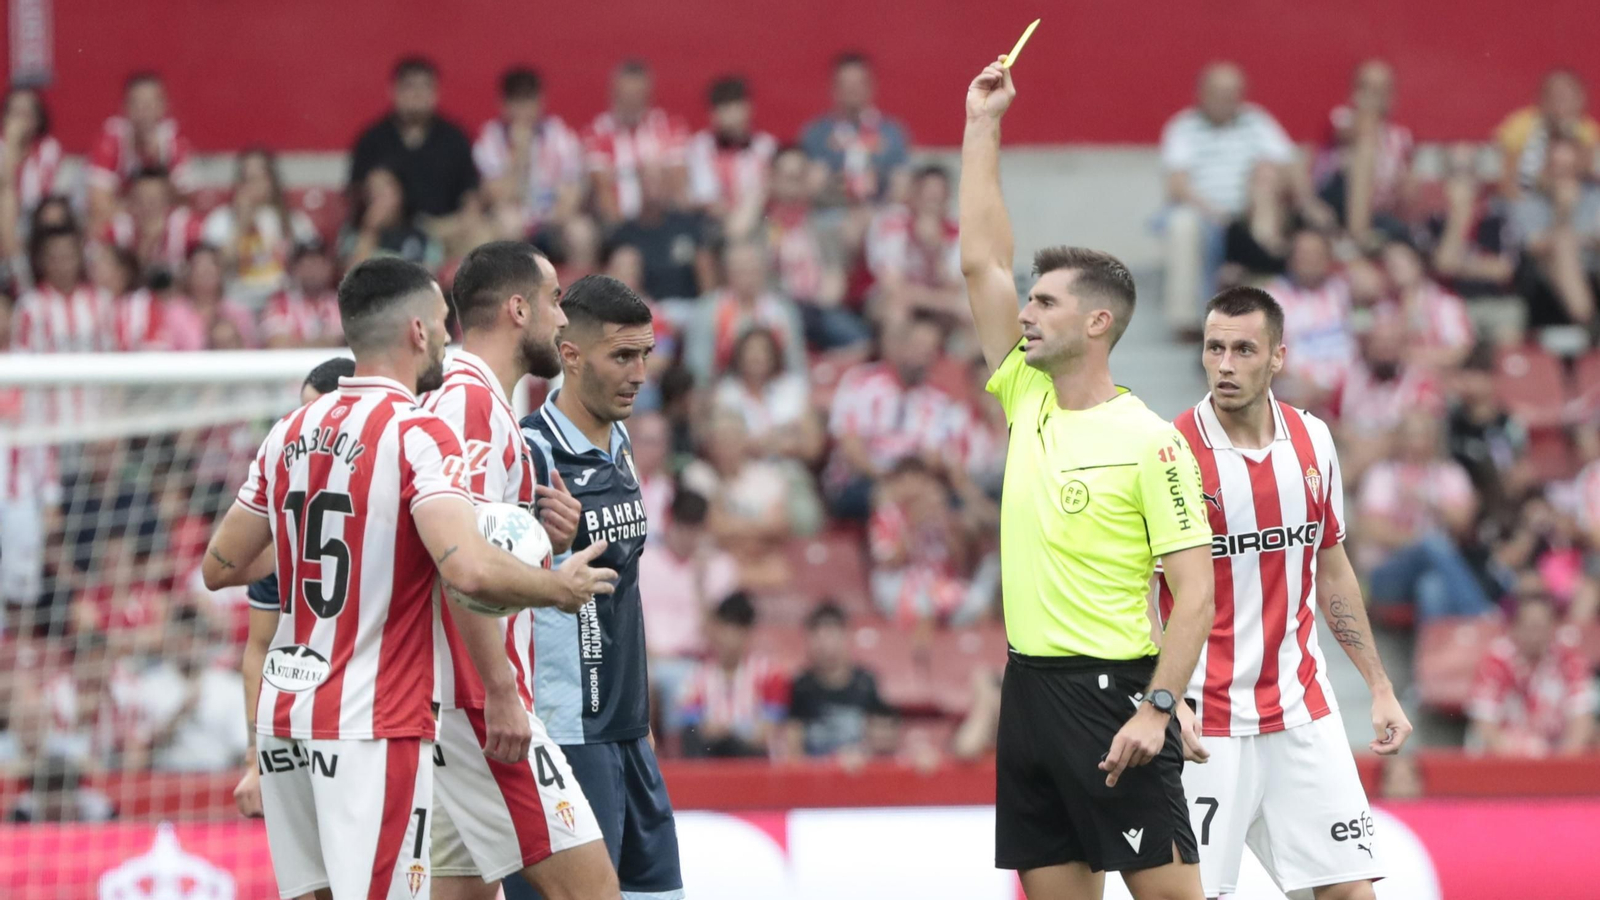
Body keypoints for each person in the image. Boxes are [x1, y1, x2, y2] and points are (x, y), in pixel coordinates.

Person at [201, 256, 616, 900]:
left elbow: (219, 566)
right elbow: (468, 569)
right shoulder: (428, 425)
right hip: (389, 714)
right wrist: (558, 588)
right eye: (441, 322)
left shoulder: (290, 430)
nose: (448, 335)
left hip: (288, 714)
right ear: (419, 332)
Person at [961, 59, 1215, 899]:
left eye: (1045, 304)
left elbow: (1196, 592)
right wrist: (982, 125)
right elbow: (980, 265)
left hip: (1115, 698)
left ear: (1097, 323)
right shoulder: (1025, 395)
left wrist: (1159, 705)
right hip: (1027, 692)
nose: (1024, 314)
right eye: (1027, 303)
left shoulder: (1153, 442)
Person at [1161, 287, 1410, 900]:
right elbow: (1141, 588)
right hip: (1204, 722)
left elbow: (1332, 567)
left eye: (1244, 349)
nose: (1225, 364)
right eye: (1214, 348)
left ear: (1277, 357)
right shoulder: (1170, 452)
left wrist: (1378, 685)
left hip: (1302, 711)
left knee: (1350, 891)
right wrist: (1163, 699)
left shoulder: (1313, 441)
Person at [420, 242, 617, 899]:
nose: (563, 321)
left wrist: (538, 533)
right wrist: (500, 688)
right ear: (516, 308)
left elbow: (462, 536)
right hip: (480, 703)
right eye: (555, 300)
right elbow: (461, 563)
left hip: (443, 701)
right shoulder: (470, 404)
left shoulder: (471, 400)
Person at [520, 274, 686, 900]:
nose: (639, 373)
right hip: (566, 735)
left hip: (627, 732)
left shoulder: (618, 441)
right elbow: (475, 588)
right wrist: (544, 554)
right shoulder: (529, 454)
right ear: (570, 355)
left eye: (645, 354)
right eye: (622, 355)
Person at [231, 357, 353, 821]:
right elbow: (258, 647)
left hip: (382, 724)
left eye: (320, 417)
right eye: (302, 417)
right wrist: (254, 759)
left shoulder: (403, 500)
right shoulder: (286, 524)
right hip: (300, 727)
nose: (309, 433)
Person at [1159, 62, 1321, 332]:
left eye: (1232, 93)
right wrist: (1214, 213)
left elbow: (1288, 163)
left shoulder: (1256, 121)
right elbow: (1177, 185)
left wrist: (1294, 193)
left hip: (1254, 211)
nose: (1226, 100)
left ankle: (1264, 277)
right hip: (1205, 213)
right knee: (1181, 222)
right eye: (1219, 92)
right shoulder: (1183, 127)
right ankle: (1185, 320)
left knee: (1267, 176)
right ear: (1202, 93)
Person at [349, 57, 479, 220]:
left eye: (425, 86)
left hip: (444, 227)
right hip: (392, 231)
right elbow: (355, 193)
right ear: (394, 90)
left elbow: (470, 189)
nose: (418, 94)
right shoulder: (374, 139)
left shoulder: (454, 138)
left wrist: (470, 217)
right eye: (410, 87)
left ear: (436, 92)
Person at [1468, 593, 1597, 756]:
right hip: (1507, 756)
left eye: (1541, 627)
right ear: (1514, 627)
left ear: (1553, 627)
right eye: (1529, 627)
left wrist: (1564, 764)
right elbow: (1484, 722)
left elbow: (1582, 715)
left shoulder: (1570, 657)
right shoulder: (1495, 660)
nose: (1535, 636)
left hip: (1558, 752)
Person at [474, 67, 584, 238]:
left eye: (529, 100)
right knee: (509, 223)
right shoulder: (490, 138)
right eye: (516, 101)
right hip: (512, 215)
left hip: (552, 217)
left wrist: (557, 214)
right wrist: (519, 153)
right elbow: (498, 196)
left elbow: (572, 189)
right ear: (503, 103)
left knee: (581, 232)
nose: (523, 109)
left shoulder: (560, 134)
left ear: (541, 101)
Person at [675, 591, 788, 758]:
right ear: (715, 630)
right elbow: (691, 729)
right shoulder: (696, 678)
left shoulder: (770, 675)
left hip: (752, 761)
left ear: (749, 632)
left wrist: (729, 731)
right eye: (725, 628)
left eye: (738, 629)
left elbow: (766, 732)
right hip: (711, 758)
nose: (730, 637)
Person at [201, 148, 317, 305]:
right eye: (248, 178)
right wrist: (241, 226)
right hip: (236, 304)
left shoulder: (296, 222)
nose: (254, 184)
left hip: (284, 304)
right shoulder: (220, 221)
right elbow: (213, 272)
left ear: (272, 181)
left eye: (260, 177)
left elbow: (312, 270)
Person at [584, 60, 691, 224]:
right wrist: (623, 230)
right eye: (626, 95)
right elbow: (602, 188)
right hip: (616, 223)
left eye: (636, 95)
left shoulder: (668, 128)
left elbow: (678, 182)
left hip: (662, 218)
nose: (630, 102)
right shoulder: (598, 132)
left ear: (648, 94)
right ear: (614, 93)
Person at [85, 72, 194, 232]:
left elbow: (187, 201)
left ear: (163, 106)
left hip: (147, 219)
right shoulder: (110, 139)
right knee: (101, 226)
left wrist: (159, 162)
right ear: (125, 107)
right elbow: (98, 205)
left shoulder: (174, 141)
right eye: (138, 104)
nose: (144, 112)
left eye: (150, 104)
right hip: (119, 217)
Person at [785, 602, 894, 761]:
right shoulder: (800, 686)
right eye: (817, 635)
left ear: (846, 635)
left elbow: (881, 739)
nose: (824, 644)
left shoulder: (866, 683)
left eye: (830, 634)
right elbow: (793, 745)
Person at [800, 53, 911, 203]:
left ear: (872, 86)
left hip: (878, 211)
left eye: (858, 83)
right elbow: (808, 186)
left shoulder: (891, 132)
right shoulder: (817, 133)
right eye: (845, 84)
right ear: (833, 88)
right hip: (830, 212)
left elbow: (901, 182)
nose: (852, 90)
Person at [1495, 69, 1599, 198]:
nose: (1561, 102)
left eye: (1567, 96)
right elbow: (1506, 166)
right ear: (1542, 98)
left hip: (1572, 194)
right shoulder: (1522, 124)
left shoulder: (1586, 128)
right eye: (1556, 95)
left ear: (1580, 99)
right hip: (1529, 192)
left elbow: (1586, 168)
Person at [687, 76, 777, 221]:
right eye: (725, 109)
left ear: (749, 108)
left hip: (762, 220)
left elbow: (773, 192)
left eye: (737, 107)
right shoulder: (701, 147)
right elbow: (706, 198)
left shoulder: (767, 146)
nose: (732, 115)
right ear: (713, 115)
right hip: (716, 224)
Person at [260, 242, 343, 349]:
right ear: (294, 269)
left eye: (318, 263)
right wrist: (325, 343)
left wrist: (297, 342)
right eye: (307, 264)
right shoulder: (279, 303)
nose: (313, 270)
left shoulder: (342, 303)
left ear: (330, 267)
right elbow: (277, 345)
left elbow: (345, 342)